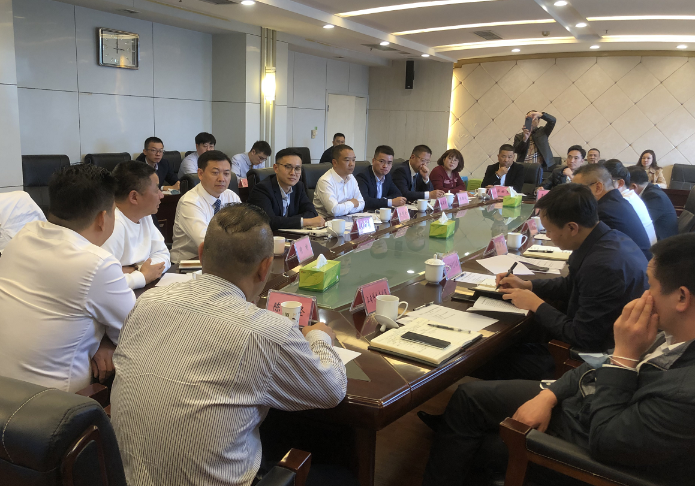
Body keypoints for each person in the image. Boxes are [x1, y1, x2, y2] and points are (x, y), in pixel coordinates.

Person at [422, 233, 695, 486]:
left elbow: (607, 442)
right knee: (467, 397)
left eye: (651, 286)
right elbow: (601, 362)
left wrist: (624, 357)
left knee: (476, 443)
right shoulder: (671, 333)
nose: (645, 295)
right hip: (587, 400)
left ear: (681, 297)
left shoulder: (686, 393)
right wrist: (549, 396)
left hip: (587, 444)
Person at [111, 203, 347, 486]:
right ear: (265, 267)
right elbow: (332, 390)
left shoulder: (146, 303)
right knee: (341, 473)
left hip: (122, 477)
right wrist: (319, 337)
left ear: (201, 254)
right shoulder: (265, 332)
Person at [468, 184, 648, 381]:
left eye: (550, 231)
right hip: (594, 340)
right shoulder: (609, 238)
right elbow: (572, 285)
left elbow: (582, 336)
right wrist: (528, 285)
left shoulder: (603, 265)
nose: (548, 236)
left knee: (487, 360)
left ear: (572, 228)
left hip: (591, 361)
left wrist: (536, 304)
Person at [0, 164, 135, 392]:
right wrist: (107, 340)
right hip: (56, 403)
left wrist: (102, 340)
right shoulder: (97, 263)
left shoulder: (23, 236)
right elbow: (135, 330)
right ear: (102, 218)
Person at [101, 161, 171, 289]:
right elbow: (104, 282)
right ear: (134, 197)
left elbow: (164, 255)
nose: (161, 195)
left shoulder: (145, 216)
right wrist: (143, 275)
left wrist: (135, 269)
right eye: (156, 190)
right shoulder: (112, 226)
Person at [171, 150, 241, 263]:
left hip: (224, 260)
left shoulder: (231, 196)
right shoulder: (190, 202)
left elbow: (243, 230)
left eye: (226, 173)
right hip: (188, 265)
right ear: (200, 174)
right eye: (215, 173)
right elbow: (207, 242)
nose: (221, 178)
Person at [573, 164, 652, 260]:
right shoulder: (616, 201)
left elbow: (583, 252)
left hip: (635, 266)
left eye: (578, 190)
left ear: (598, 187)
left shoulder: (604, 212)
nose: (573, 195)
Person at [247, 148, 324, 231]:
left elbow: (312, 213)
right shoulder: (262, 189)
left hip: (291, 235)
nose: (293, 173)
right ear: (276, 168)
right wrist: (304, 222)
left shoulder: (299, 186)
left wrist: (285, 221)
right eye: (288, 167)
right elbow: (268, 221)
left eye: (297, 168)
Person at [603, 159, 657, 246]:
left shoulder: (623, 201)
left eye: (605, 183)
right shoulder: (630, 195)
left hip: (642, 252)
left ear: (620, 183)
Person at [313, 144, 365, 218]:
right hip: (327, 221)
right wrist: (352, 203)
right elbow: (334, 211)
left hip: (347, 219)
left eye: (353, 160)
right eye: (347, 160)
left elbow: (362, 203)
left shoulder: (351, 177)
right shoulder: (325, 181)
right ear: (335, 163)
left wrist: (343, 208)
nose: (352, 164)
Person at [628, 165, 678, 241]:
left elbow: (639, 222)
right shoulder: (650, 191)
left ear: (633, 186)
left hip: (662, 242)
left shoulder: (654, 196)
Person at [355, 145, 407, 210]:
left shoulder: (387, 176)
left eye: (389, 163)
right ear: (373, 161)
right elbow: (365, 201)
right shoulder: (363, 177)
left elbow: (397, 194)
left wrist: (382, 201)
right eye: (382, 161)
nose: (385, 166)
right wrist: (390, 202)